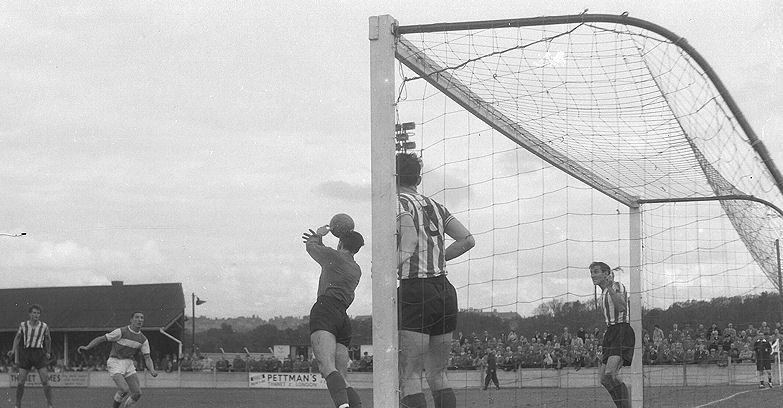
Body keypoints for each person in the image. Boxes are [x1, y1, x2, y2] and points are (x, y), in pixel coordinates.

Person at [396, 152, 475, 408]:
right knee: (438, 373)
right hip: (444, 290)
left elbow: (409, 242)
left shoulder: (397, 203)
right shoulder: (436, 206)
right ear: (418, 179)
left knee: (410, 375)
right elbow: (467, 240)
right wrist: (439, 257)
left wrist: (388, 267)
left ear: (392, 176)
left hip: (415, 288)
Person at [302, 224, 365, 408]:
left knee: (327, 367)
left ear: (340, 243)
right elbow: (330, 259)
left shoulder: (334, 257)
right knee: (341, 376)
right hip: (343, 317)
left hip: (325, 310)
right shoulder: (356, 268)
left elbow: (311, 248)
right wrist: (322, 243)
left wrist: (318, 235)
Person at [77, 312, 158, 408]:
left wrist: (152, 370)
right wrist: (87, 347)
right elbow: (101, 339)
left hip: (128, 363)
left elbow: (147, 357)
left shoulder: (143, 340)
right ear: (131, 320)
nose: (139, 320)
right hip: (115, 361)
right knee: (124, 389)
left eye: (141, 318)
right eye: (137, 317)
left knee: (137, 393)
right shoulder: (121, 331)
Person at [590, 262, 634, 408]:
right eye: (591, 273)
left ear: (606, 273)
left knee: (610, 373)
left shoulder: (616, 286)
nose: (593, 275)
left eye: (596, 271)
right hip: (610, 332)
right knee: (604, 379)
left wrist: (610, 287)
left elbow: (621, 307)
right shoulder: (602, 294)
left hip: (622, 330)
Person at [7, 304, 54, 408]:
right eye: (34, 313)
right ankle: (17, 404)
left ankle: (50, 404)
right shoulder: (23, 325)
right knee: (20, 382)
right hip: (26, 353)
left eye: (38, 313)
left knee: (45, 380)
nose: (36, 315)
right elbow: (18, 337)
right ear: (30, 314)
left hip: (39, 353)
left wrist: (48, 352)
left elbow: (48, 339)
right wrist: (13, 350)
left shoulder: (44, 326)